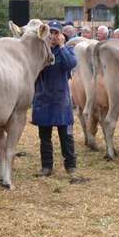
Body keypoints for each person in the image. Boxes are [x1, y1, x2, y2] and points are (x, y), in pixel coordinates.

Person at [32, 21, 88, 183]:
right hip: (43, 98)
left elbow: (70, 64)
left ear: (61, 36)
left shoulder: (67, 51)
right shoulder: (40, 51)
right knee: (44, 137)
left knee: (66, 136)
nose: (53, 36)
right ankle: (46, 167)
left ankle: (70, 166)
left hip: (61, 99)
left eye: (56, 33)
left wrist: (62, 47)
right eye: (51, 32)